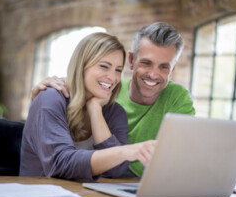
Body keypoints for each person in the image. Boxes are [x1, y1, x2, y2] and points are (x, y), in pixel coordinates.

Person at [31, 22, 195, 177]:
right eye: (146, 63)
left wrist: (95, 108)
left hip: (124, 183)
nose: (153, 74)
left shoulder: (111, 105)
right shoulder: (102, 93)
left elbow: (116, 168)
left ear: (172, 69)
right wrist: (42, 101)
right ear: (131, 61)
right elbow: (58, 160)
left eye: (164, 66)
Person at [20, 32, 156, 181]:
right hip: (40, 194)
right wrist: (125, 151)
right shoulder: (50, 97)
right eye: (104, 66)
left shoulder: (115, 112)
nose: (113, 77)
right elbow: (60, 163)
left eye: (118, 69)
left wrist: (95, 110)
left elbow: (115, 170)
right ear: (81, 66)